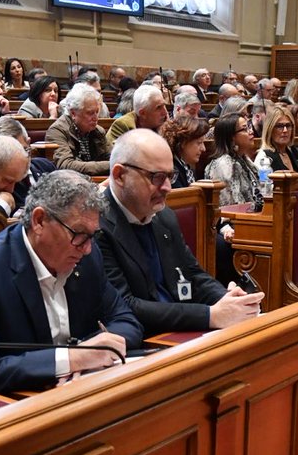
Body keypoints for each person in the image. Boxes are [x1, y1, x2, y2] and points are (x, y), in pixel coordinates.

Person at [0, 170, 142, 396]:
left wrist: (87, 352)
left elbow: (126, 321)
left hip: (74, 393)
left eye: (92, 236)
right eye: (79, 235)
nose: (87, 248)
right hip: (6, 407)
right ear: (39, 221)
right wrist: (70, 358)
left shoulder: (88, 255)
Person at [98, 130, 262, 337]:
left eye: (170, 176)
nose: (168, 187)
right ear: (120, 175)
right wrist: (210, 315)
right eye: (156, 177)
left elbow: (193, 274)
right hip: (143, 341)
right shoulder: (96, 226)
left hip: (183, 330)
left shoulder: (164, 216)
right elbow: (126, 305)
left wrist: (226, 299)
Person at [45, 83, 110, 175]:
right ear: (73, 113)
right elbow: (66, 165)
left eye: (97, 112)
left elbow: (112, 158)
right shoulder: (57, 131)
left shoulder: (98, 131)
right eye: (90, 113)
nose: (96, 117)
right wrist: (111, 165)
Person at [205, 113, 263, 209]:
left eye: (249, 126)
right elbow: (233, 207)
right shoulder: (223, 166)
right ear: (231, 137)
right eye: (245, 129)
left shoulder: (244, 159)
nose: (251, 131)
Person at [160, 115, 207, 188]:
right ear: (183, 143)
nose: (203, 149)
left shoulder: (185, 166)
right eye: (199, 143)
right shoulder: (172, 171)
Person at [256, 105, 298, 172]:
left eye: (288, 125)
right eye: (279, 126)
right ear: (270, 129)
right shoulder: (264, 157)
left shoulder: (293, 151)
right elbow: (264, 181)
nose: (285, 130)